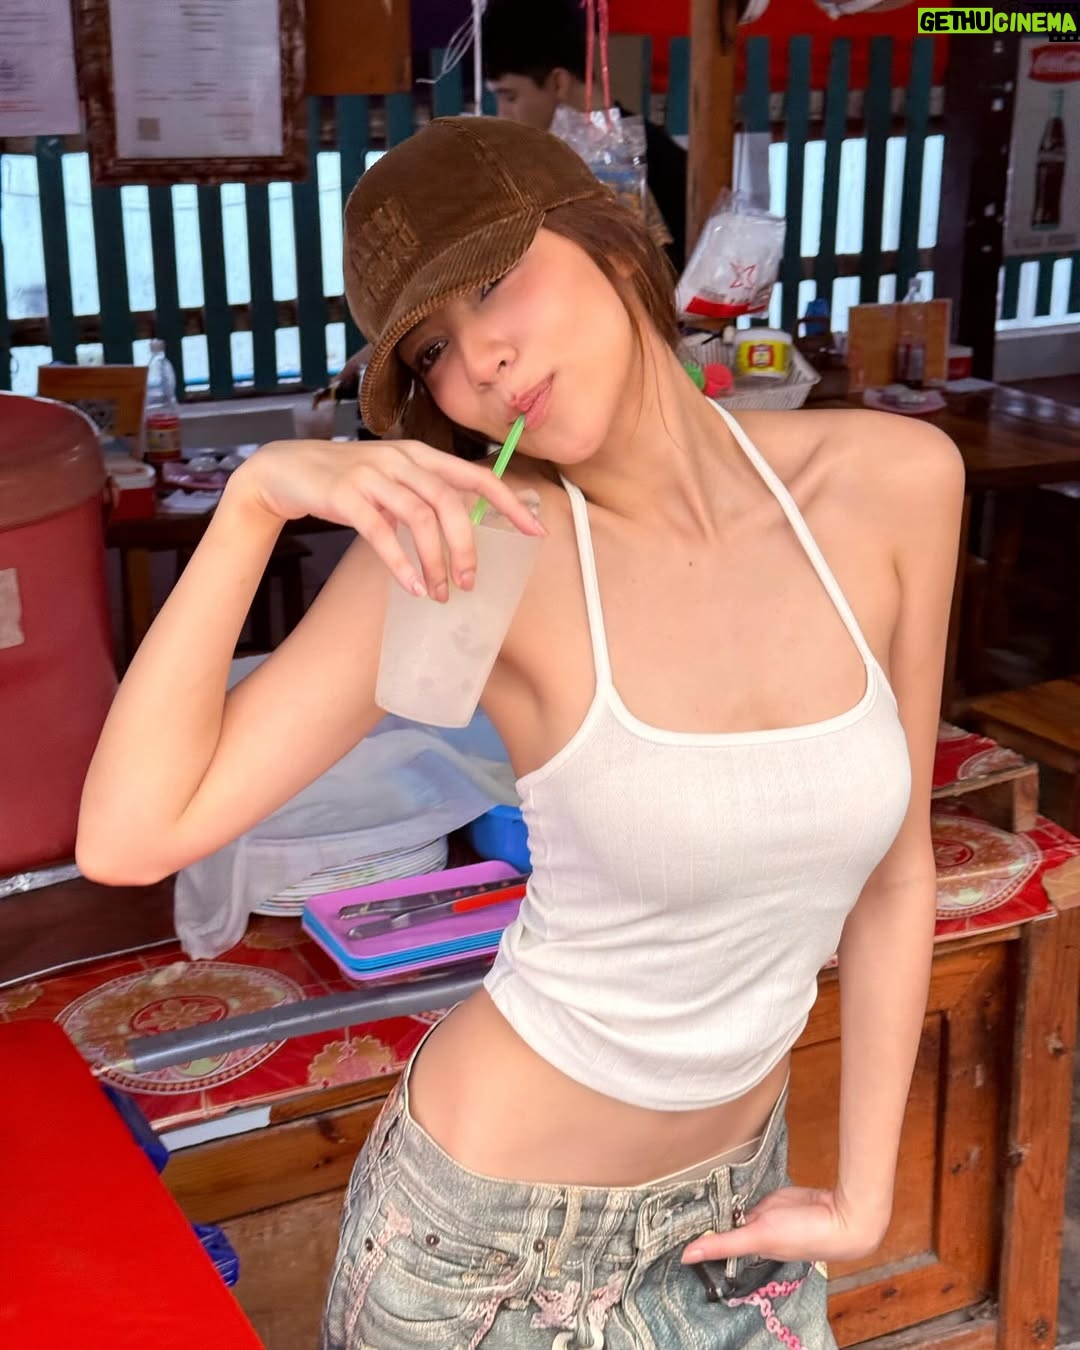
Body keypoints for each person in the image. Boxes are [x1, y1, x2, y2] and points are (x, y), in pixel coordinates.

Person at [77, 116, 963, 1349]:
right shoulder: (479, 553)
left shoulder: (896, 482)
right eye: (434, 349)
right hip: (483, 1256)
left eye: (496, 280)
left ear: (614, 241)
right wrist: (256, 501)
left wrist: (866, 1194)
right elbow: (129, 837)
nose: (482, 359)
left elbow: (898, 867)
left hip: (736, 1220)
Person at [482, 0, 688, 271]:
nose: (502, 114)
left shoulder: (651, 162)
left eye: (510, 97)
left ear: (558, 83)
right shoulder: (540, 159)